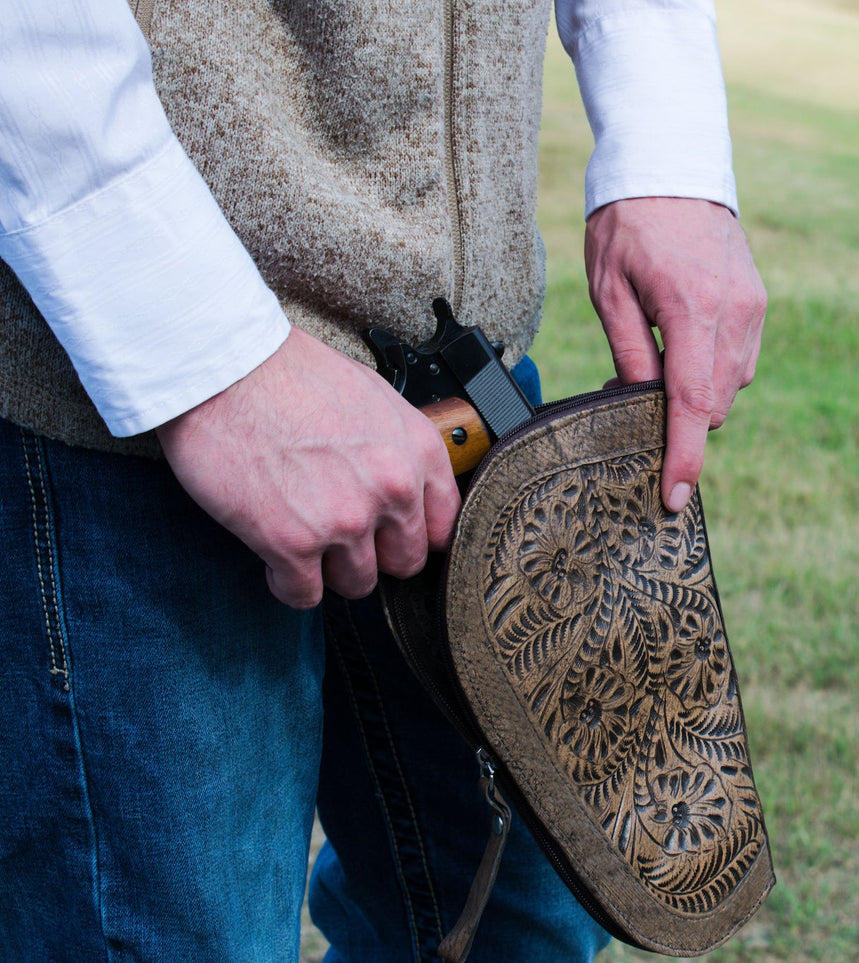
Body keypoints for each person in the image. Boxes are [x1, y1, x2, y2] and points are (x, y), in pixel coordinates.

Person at [0, 0, 765, 960]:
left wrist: (668, 151)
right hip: (141, 408)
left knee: (518, 925)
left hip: (468, 391)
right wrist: (201, 352)